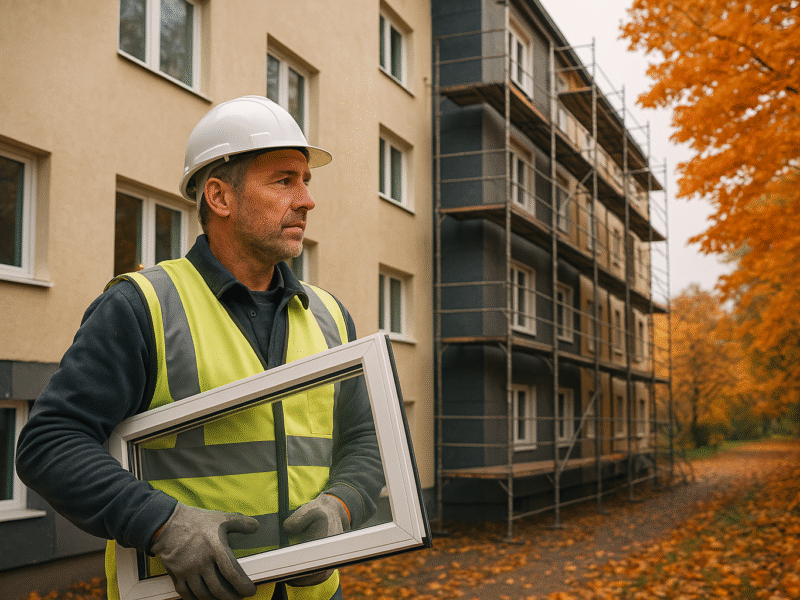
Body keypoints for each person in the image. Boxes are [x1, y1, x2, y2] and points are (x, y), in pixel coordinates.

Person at [16, 96, 384, 600]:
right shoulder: (140, 306)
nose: (306, 200)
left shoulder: (329, 316)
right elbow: (50, 443)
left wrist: (343, 505)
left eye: (305, 181)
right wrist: (163, 524)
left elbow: (365, 440)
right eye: (284, 181)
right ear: (219, 197)